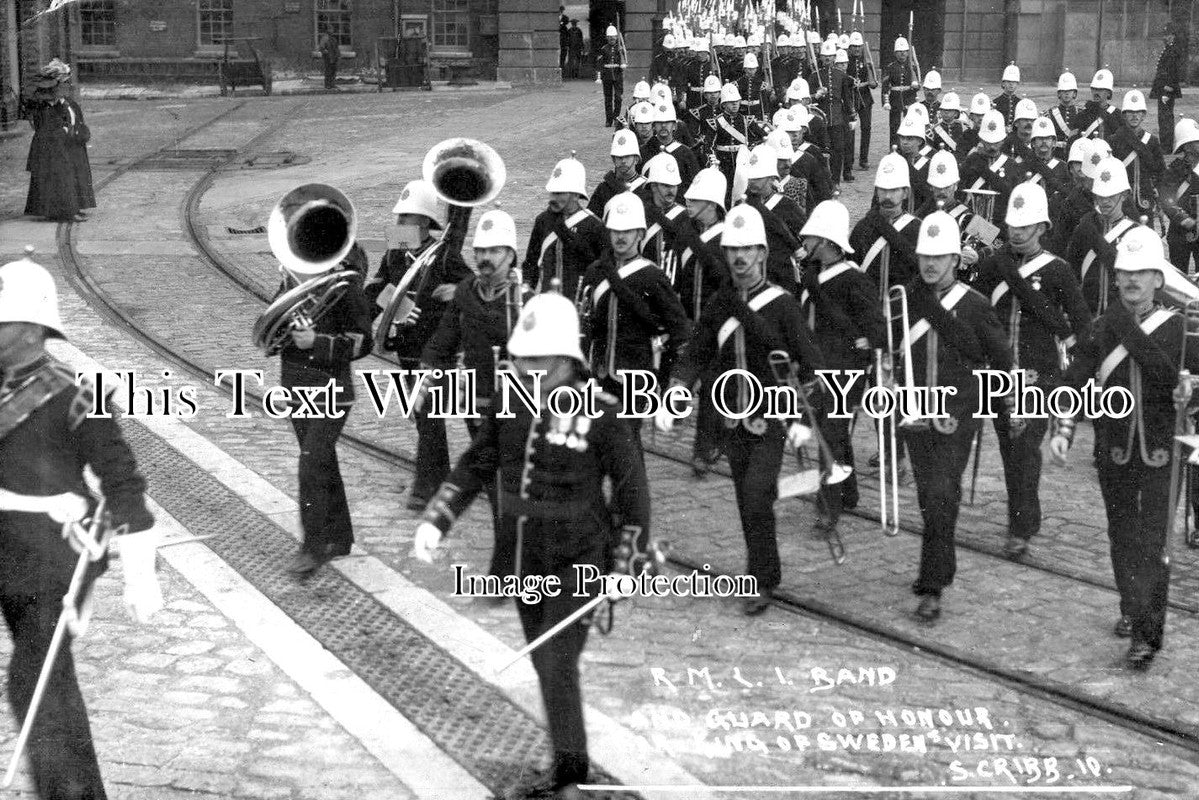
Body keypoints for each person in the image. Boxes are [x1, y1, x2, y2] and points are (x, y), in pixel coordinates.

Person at [413, 293, 650, 800]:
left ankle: (571, 775)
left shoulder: (605, 416)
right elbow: (476, 465)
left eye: (538, 363)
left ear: (568, 361)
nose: (527, 372)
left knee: (554, 661)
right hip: (525, 558)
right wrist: (438, 518)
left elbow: (633, 495)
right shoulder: (508, 403)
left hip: (582, 560)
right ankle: (567, 765)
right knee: (545, 659)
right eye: (522, 361)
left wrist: (624, 565)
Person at [0, 250, 155, 800]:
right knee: (41, 679)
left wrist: (141, 572)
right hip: (3, 552)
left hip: (52, 559)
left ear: (32, 328)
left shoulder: (75, 393)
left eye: (3, 319)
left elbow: (123, 483)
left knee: (37, 686)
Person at [658, 203, 824, 614]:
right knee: (747, 498)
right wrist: (677, 388)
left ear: (764, 254)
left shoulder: (784, 305)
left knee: (755, 493)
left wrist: (802, 421)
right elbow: (696, 352)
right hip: (728, 418)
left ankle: (763, 580)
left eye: (748, 249)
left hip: (771, 418)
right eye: (733, 249)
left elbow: (810, 367)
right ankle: (761, 570)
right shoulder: (720, 303)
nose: (740, 257)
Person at [1050, 226, 1199, 668]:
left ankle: (1146, 633)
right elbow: (1072, 382)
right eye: (1125, 273)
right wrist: (1063, 430)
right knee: (1122, 536)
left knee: (1153, 543)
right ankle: (1132, 606)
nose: (1132, 280)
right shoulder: (1103, 328)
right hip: (1113, 450)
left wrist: (1190, 393)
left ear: (1159, 279)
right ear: (1116, 279)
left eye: (1142, 273)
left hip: (1163, 452)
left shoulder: (1182, 330)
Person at [898, 211, 1011, 621]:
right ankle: (939, 563)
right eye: (925, 256)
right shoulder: (903, 298)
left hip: (957, 418)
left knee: (942, 493)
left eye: (941, 256)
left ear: (955, 260)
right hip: (914, 414)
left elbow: (1002, 361)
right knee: (931, 496)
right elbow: (888, 347)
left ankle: (932, 586)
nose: (931, 264)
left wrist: (994, 399)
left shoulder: (977, 307)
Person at [971, 182, 1090, 559]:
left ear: (1042, 227)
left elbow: (1082, 323)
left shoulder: (1059, 271)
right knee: (1010, 449)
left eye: (1026, 227)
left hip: (1041, 375)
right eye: (1013, 226)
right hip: (998, 375)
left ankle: (1018, 526)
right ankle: (1027, 511)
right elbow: (977, 312)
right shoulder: (993, 266)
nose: (1017, 232)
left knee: (1025, 448)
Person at [421, 209, 534, 581]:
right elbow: (443, 340)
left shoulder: (527, 298)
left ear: (511, 255)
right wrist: (427, 378)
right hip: (477, 405)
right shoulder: (468, 291)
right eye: (480, 251)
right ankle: (512, 563)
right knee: (493, 485)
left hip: (519, 408)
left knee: (511, 485)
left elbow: (524, 344)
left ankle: (517, 564)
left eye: (494, 252)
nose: (484, 259)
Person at [365, 180, 471, 510]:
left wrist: (455, 291)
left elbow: (472, 283)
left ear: (424, 222)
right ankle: (438, 477)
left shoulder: (443, 255)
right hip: (407, 346)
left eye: (405, 218)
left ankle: (426, 488)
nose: (398, 224)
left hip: (436, 348)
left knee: (427, 412)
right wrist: (367, 315)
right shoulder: (397, 247)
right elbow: (381, 286)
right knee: (425, 415)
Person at [278, 232, 374, 579]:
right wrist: (288, 331)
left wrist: (316, 342)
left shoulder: (345, 286)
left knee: (311, 462)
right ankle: (340, 536)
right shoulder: (293, 283)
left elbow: (364, 341)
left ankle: (313, 546)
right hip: (296, 386)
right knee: (322, 460)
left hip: (332, 390)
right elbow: (272, 329)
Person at [578, 191, 691, 457]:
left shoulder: (652, 276)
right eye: (615, 230)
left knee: (627, 444)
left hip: (636, 376)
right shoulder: (596, 271)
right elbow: (585, 321)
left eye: (628, 231)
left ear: (640, 233)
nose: (621, 237)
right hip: (600, 373)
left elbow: (678, 329)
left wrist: (669, 381)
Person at [797, 200, 886, 533]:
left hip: (843, 371)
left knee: (829, 437)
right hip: (815, 367)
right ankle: (848, 492)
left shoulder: (854, 280)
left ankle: (828, 507)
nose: (804, 243)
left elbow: (875, 329)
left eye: (811, 238)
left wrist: (858, 355)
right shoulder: (810, 276)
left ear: (826, 241)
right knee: (832, 432)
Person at [1066, 157, 1143, 316]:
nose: (1105, 201)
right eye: (1100, 196)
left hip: (1123, 316)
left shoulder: (1135, 232)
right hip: (1089, 312)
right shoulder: (1085, 227)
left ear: (1124, 194)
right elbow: (1073, 268)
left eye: (1111, 195)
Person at [523, 156, 605, 299]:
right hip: (546, 304)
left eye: (559, 193)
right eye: (552, 192)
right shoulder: (542, 221)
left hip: (577, 306)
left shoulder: (593, 225)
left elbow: (602, 269)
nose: (552, 198)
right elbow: (531, 263)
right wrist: (526, 293)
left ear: (575, 195)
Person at [23, 60, 91, 223]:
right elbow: (47, 128)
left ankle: (73, 207)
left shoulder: (63, 103)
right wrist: (65, 130)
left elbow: (71, 118)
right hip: (51, 146)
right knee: (60, 176)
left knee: (70, 174)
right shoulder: (44, 106)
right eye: (64, 84)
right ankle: (66, 211)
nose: (67, 87)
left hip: (64, 144)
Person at [1160, 118, 1199, 274]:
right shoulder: (1174, 170)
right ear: (1187, 146)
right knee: (1179, 278)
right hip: (1179, 232)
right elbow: (1167, 200)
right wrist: (1186, 220)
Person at [1151, 24, 1187, 152]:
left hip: (1166, 90)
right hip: (1163, 88)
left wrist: (1168, 88)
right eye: (1164, 35)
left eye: (1167, 35)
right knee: (1163, 117)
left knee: (1165, 118)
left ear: (1173, 36)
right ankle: (1164, 145)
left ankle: (1166, 147)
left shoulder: (1173, 51)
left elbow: (1174, 72)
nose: (1165, 38)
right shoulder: (1168, 50)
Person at [846, 30, 877, 170]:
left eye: (859, 46)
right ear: (849, 48)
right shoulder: (845, 62)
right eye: (854, 46)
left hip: (865, 99)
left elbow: (874, 84)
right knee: (850, 130)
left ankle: (863, 159)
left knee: (866, 128)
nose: (857, 49)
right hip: (851, 98)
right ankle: (849, 159)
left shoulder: (867, 60)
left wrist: (869, 71)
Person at [881, 37, 918, 142]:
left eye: (905, 52)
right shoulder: (890, 67)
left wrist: (916, 86)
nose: (902, 54)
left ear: (908, 52)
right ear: (895, 53)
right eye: (899, 52)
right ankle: (894, 148)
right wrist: (885, 102)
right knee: (894, 126)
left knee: (909, 125)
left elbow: (918, 83)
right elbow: (885, 86)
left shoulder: (912, 66)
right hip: (895, 99)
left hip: (909, 98)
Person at [597, 25, 626, 127]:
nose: (612, 39)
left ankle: (616, 117)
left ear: (616, 37)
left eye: (613, 37)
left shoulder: (620, 48)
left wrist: (623, 64)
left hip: (617, 76)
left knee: (618, 98)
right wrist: (599, 75)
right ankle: (609, 119)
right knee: (608, 99)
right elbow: (600, 63)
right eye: (610, 37)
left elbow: (624, 60)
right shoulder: (604, 49)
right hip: (607, 76)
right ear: (607, 38)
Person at [994, 63, 1022, 132]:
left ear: (1017, 84)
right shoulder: (995, 102)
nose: (1011, 84)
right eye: (1008, 81)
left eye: (1014, 82)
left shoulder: (1021, 103)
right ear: (1003, 83)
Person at [318, 26, 339, 91]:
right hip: (328, 57)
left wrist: (338, 55)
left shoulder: (333, 38)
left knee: (333, 71)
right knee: (328, 71)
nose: (332, 31)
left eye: (332, 29)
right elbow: (321, 48)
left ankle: (333, 84)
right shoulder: (325, 38)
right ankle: (327, 85)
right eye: (331, 29)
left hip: (334, 57)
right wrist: (325, 52)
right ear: (328, 30)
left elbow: (336, 48)